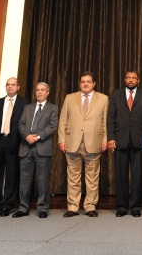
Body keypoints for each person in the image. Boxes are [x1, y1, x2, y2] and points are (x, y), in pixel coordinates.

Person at [58, 71, 109, 217]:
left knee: (92, 178)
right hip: (72, 143)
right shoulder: (70, 98)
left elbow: (105, 122)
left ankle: (90, 206)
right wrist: (61, 140)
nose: (85, 84)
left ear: (93, 84)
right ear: (79, 84)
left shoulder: (103, 99)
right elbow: (63, 120)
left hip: (94, 143)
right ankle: (73, 207)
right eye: (83, 82)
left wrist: (105, 140)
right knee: (73, 178)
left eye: (88, 81)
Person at [107, 70, 142, 217]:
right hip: (120, 140)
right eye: (128, 77)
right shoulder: (116, 94)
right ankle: (121, 206)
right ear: (124, 79)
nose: (131, 80)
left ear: (138, 80)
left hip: (139, 140)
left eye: (134, 78)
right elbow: (110, 117)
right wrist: (110, 137)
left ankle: (135, 206)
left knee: (137, 175)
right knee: (120, 175)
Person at [0, 77, 28, 217]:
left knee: (11, 176)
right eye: (8, 85)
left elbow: (25, 125)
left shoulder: (24, 104)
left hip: (14, 143)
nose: (10, 87)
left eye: (13, 85)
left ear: (18, 87)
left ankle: (7, 205)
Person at [13, 82, 58, 218]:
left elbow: (52, 126)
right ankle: (23, 207)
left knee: (42, 180)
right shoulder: (27, 107)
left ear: (47, 93)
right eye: (37, 90)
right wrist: (26, 136)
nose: (39, 92)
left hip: (42, 147)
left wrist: (37, 136)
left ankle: (43, 208)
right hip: (26, 147)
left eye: (42, 90)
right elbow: (20, 124)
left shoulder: (53, 108)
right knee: (24, 180)